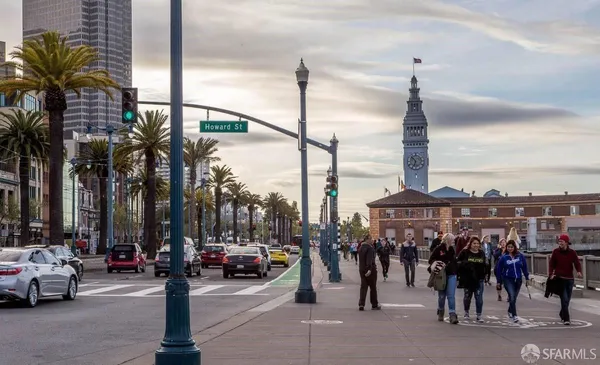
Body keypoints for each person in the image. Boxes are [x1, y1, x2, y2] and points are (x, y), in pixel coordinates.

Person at [549, 234, 583, 325]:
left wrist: (579, 271)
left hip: (570, 279)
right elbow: (551, 264)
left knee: (567, 299)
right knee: (563, 298)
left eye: (562, 241)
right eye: (559, 241)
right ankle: (566, 319)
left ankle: (562, 313)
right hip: (559, 279)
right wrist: (551, 274)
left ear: (566, 243)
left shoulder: (572, 253)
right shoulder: (555, 252)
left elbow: (577, 263)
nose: (560, 243)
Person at [496, 240, 530, 323]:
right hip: (507, 279)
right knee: (511, 295)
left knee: (514, 298)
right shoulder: (504, 257)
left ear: (514, 247)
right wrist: (499, 281)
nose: (510, 248)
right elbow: (499, 270)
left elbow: (524, 267)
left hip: (518, 279)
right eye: (508, 247)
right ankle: (514, 315)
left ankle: (510, 310)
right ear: (506, 248)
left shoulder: (520, 256)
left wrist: (527, 278)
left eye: (512, 247)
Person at [429, 233, 459, 324]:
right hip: (441, 274)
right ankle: (441, 310)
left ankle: (452, 314)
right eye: (452, 239)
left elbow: (454, 261)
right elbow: (431, 260)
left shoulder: (451, 249)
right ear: (447, 240)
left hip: (451, 274)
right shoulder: (438, 249)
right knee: (442, 296)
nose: (454, 241)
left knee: (451, 295)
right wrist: (439, 263)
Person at [457, 236, 486, 322]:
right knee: (467, 297)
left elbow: (485, 264)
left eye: (477, 243)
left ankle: (479, 315)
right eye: (474, 243)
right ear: (470, 244)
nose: (476, 245)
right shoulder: (465, 252)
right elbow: (458, 262)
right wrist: (465, 264)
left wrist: (485, 275)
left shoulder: (481, 253)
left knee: (479, 298)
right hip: (468, 279)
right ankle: (466, 313)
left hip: (479, 279)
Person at [358, 234, 381, 311]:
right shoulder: (370, 248)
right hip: (370, 270)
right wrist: (370, 269)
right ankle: (374, 304)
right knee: (373, 287)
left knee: (363, 287)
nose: (372, 240)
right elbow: (369, 260)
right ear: (367, 239)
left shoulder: (361, 248)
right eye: (371, 239)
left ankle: (361, 304)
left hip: (361, 269)